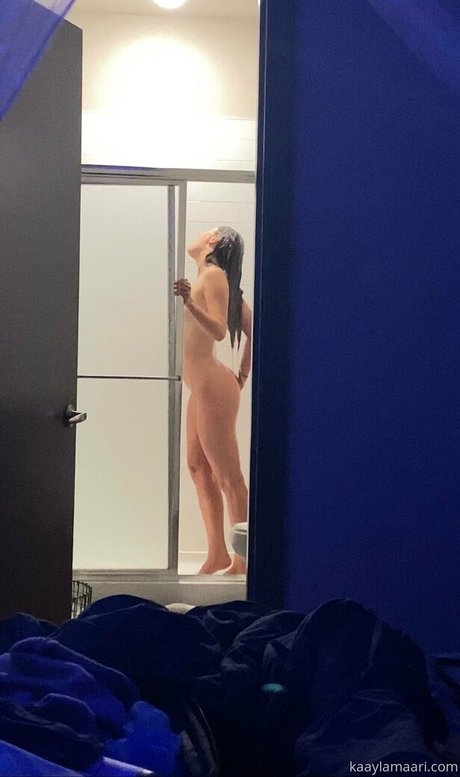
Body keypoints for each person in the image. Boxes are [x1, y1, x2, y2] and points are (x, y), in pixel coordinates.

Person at [174, 227, 252, 575]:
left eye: (206, 231)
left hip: (211, 386)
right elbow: (253, 328)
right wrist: (241, 376)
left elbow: (220, 330)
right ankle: (218, 554)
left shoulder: (213, 274)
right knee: (197, 467)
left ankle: (244, 561)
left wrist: (189, 302)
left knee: (228, 477)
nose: (198, 234)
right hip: (202, 386)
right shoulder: (212, 279)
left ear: (215, 240)